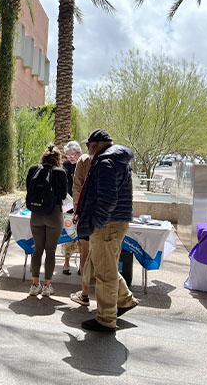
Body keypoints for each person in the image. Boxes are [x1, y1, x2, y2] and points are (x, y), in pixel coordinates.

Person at [75, 129, 138, 332]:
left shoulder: (105, 163)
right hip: (114, 223)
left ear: (96, 145)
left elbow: (108, 198)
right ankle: (125, 300)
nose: (88, 149)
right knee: (106, 266)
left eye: (89, 145)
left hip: (107, 225)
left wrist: (96, 222)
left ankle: (106, 318)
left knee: (105, 273)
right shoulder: (116, 161)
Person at [26, 145, 68, 297]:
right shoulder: (60, 172)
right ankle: (47, 287)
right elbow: (63, 195)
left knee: (37, 250)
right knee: (50, 251)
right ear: (58, 159)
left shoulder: (33, 170)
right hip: (54, 215)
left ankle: (34, 285)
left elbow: (28, 190)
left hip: (36, 214)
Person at [69, 147, 92, 306]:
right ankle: (115, 297)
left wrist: (76, 211)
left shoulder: (84, 160)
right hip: (108, 216)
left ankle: (85, 293)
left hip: (87, 212)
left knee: (86, 253)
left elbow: (77, 187)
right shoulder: (114, 160)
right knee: (107, 257)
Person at [61, 141, 83, 275]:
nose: (71, 158)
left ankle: (82, 265)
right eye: (68, 155)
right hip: (67, 205)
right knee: (68, 235)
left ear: (79, 153)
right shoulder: (65, 166)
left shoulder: (85, 164)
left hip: (81, 205)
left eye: (73, 155)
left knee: (81, 236)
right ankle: (66, 263)